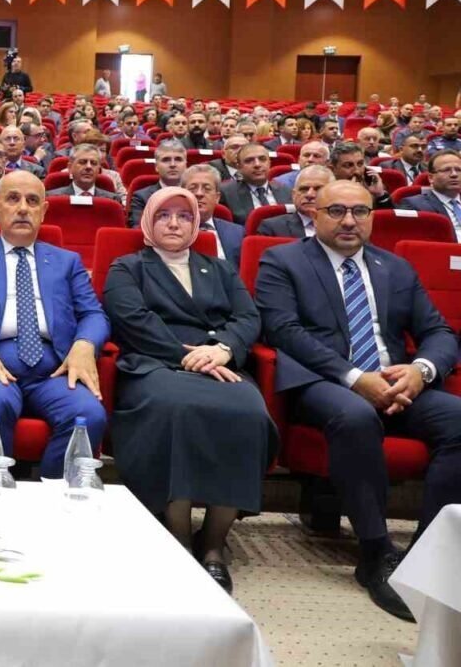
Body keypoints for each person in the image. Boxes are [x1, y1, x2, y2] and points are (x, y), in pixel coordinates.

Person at [255, 180, 461, 620]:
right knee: (356, 416)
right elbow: (284, 331)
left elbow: (438, 332)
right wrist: (355, 378)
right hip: (323, 382)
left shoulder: (396, 268)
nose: (349, 221)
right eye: (337, 211)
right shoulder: (283, 260)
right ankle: (375, 551)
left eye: (360, 211)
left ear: (372, 216)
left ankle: (427, 554)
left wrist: (420, 372)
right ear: (314, 215)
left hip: (396, 383)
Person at [103, 187, 274, 594]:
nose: (174, 223)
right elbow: (133, 321)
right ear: (148, 222)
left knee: (249, 412)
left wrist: (223, 349)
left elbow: (248, 317)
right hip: (155, 363)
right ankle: (177, 536)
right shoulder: (128, 267)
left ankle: (213, 544)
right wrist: (189, 356)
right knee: (175, 410)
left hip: (220, 364)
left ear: (197, 223)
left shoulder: (219, 268)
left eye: (184, 215)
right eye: (164, 215)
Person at [0, 170, 109, 479]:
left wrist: (84, 345)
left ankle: (53, 492)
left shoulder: (67, 261)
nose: (23, 208)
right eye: (13, 199)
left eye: (32, 201)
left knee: (89, 414)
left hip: (53, 372)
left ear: (44, 211)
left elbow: (94, 314)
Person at [181, 165, 244, 268]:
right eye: (192, 189)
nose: (199, 194)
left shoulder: (237, 232)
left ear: (217, 198)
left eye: (207, 189)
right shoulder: (172, 230)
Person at [219, 143, 291, 224]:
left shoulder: (286, 190)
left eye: (262, 159)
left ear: (269, 163)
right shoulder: (226, 193)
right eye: (249, 161)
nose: (257, 164)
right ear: (239, 167)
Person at [398, 150, 461, 240]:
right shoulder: (414, 204)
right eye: (446, 170)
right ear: (431, 178)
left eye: (458, 170)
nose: (454, 174)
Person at [257, 166, 333, 239]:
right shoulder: (272, 228)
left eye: (318, 189)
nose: (309, 194)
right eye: (304, 189)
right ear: (293, 195)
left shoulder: (339, 226)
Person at [128, 140, 188, 227]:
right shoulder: (141, 197)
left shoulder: (195, 195)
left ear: (186, 165)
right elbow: (137, 229)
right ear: (156, 166)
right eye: (166, 160)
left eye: (178, 159)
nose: (172, 164)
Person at [47, 144, 120, 202]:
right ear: (70, 167)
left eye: (93, 163)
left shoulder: (112, 200)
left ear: (98, 169)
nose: (88, 167)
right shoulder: (52, 198)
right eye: (82, 162)